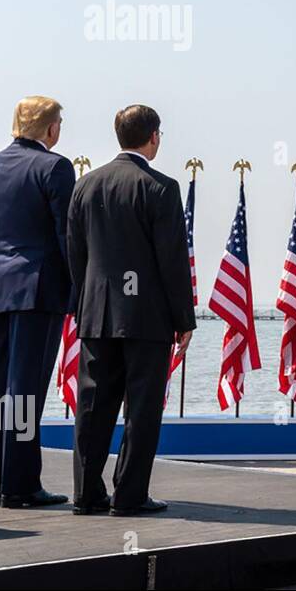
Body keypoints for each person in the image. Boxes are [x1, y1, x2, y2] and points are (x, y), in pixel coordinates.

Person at [66, 105, 195, 516]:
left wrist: (83, 304)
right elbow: (171, 260)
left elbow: (77, 255)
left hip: (96, 313)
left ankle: (87, 494)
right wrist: (183, 319)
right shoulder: (162, 187)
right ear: (153, 136)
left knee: (92, 407)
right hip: (147, 319)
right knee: (141, 409)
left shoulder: (85, 185)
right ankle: (130, 495)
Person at [0, 96, 74, 508]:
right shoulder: (54, 167)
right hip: (36, 290)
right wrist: (78, 292)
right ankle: (21, 484)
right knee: (24, 391)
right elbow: (68, 238)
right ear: (50, 129)